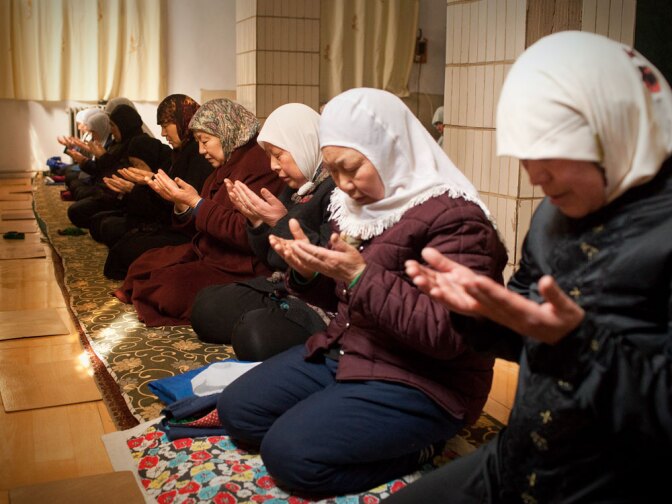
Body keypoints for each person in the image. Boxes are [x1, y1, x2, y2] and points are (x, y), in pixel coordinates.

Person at [391, 31, 672, 503]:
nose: (533, 176)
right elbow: (528, 324)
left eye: (548, 154)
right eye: (524, 155)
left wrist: (578, 345)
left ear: (613, 129)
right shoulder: (552, 215)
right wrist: (483, 312)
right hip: (521, 460)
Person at [216, 88, 507, 495]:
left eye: (351, 168)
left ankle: (422, 448)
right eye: (332, 171)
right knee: (238, 411)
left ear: (390, 147)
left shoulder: (458, 221)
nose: (343, 184)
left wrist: (359, 276)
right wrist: (307, 274)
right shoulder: (353, 205)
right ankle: (342, 413)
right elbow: (346, 299)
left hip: (424, 379)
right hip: (351, 351)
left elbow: (449, 337)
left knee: (290, 457)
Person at [113, 98, 285, 327]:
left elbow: (244, 232)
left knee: (166, 290)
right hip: (210, 249)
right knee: (143, 265)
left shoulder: (258, 164)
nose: (202, 150)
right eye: (197, 142)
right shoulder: (228, 160)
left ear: (226, 132)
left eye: (205, 141)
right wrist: (181, 203)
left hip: (239, 263)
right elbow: (199, 217)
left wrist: (196, 203)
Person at [190, 103, 336, 360]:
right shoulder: (295, 188)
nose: (273, 166)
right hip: (283, 284)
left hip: (320, 301)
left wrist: (280, 219)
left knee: (253, 335)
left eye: (279, 155)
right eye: (269, 156)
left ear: (305, 143)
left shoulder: (333, 190)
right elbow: (272, 257)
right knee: (205, 306)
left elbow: (325, 264)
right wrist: (257, 222)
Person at [102, 94, 212, 279]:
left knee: (124, 253)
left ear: (183, 120)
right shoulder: (182, 152)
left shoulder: (199, 154)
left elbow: (189, 206)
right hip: (173, 225)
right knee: (119, 243)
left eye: (165, 125)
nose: (162, 133)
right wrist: (145, 186)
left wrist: (153, 182)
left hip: (191, 235)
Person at [66, 104, 147, 228]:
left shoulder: (139, 144)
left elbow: (119, 173)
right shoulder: (118, 143)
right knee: (77, 207)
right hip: (106, 191)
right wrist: (85, 160)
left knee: (91, 218)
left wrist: (102, 157)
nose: (111, 129)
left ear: (124, 125)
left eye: (113, 126)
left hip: (122, 198)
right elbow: (102, 170)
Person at [89, 135, 173, 247]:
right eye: (133, 164)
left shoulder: (165, 171)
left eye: (139, 164)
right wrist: (125, 192)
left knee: (111, 228)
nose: (136, 169)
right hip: (137, 215)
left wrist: (133, 190)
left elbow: (157, 211)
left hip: (157, 223)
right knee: (96, 220)